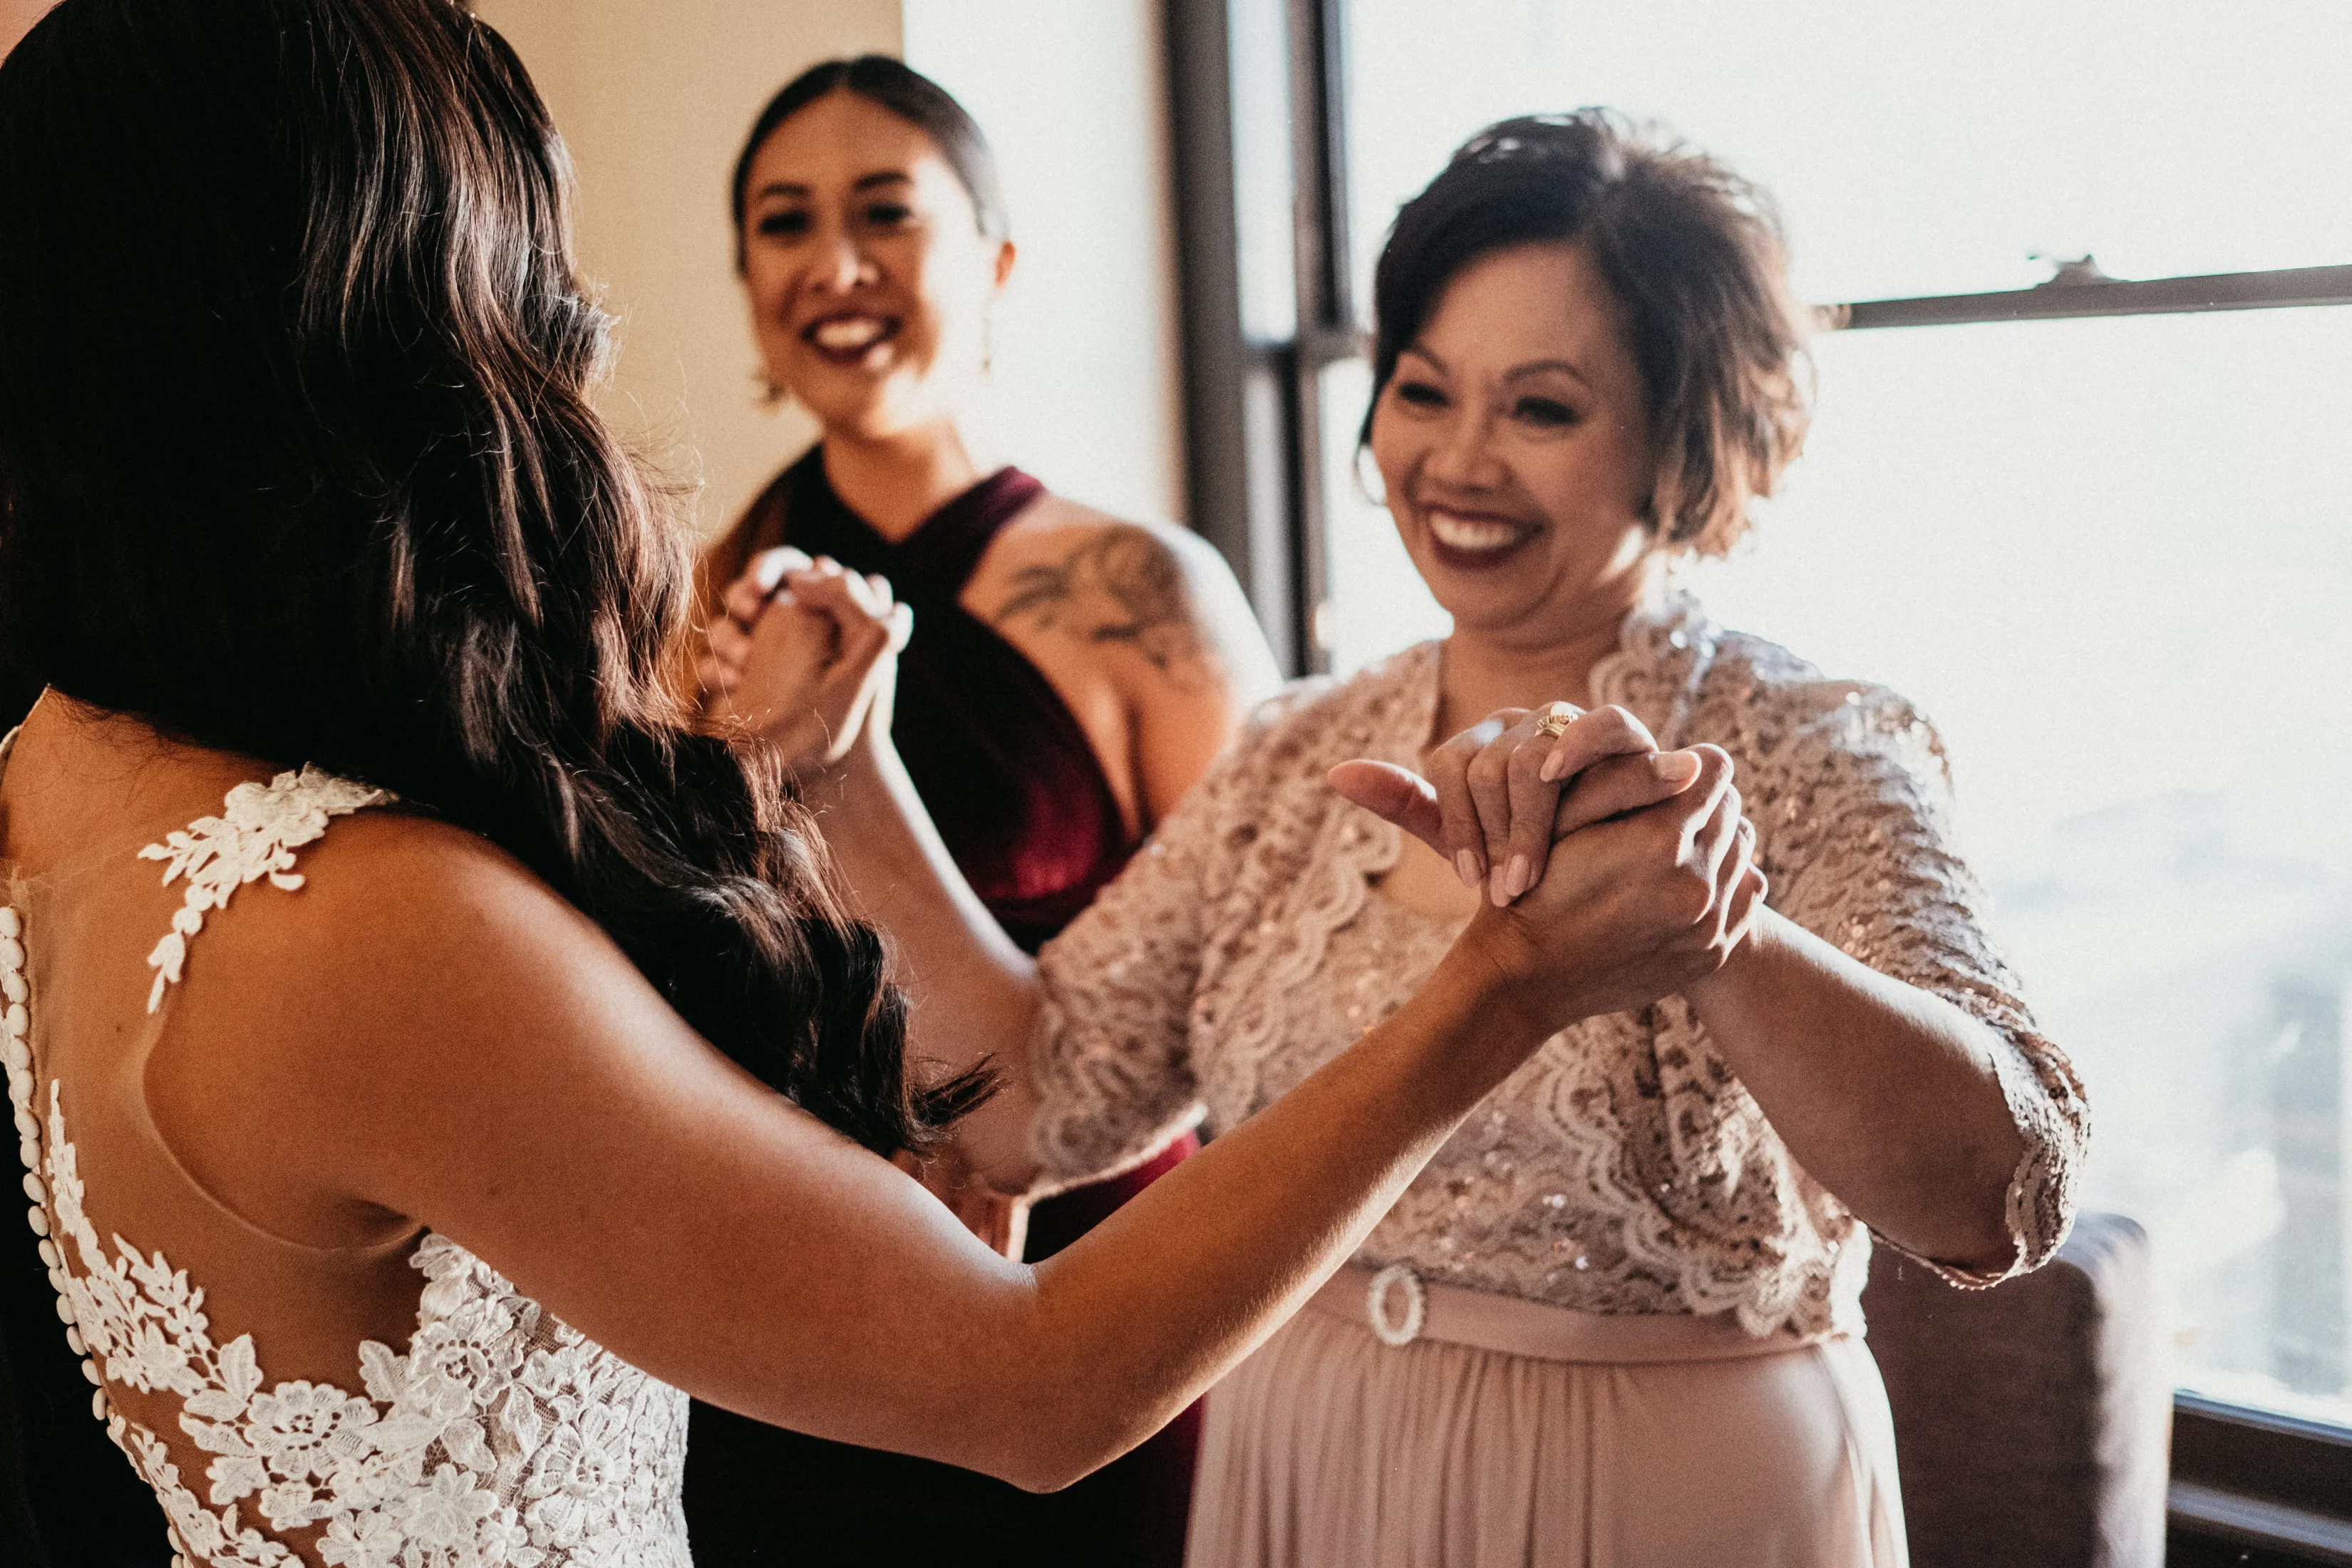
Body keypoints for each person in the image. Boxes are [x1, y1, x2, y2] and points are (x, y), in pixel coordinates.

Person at [0, 8, 1759, 1567]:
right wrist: (1511, 983)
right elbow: (1037, 1376)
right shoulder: (366, 923)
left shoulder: (56, 775)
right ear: (381, 320)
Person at [702, 113, 2092, 1567]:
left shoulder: (1811, 744)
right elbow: (1030, 1104)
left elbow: (2005, 1193)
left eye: (1543, 408)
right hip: (1301, 1478)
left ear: (1683, 440)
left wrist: (1721, 932)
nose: (1460, 461)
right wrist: (846, 768)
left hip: (1664, 1499)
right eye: (1425, 391)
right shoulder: (1300, 753)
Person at [682, 56, 1282, 1567]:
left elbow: (1263, 986)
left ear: (995, 259)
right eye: (784, 223)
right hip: (781, 1296)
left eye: (887, 213)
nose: (834, 266)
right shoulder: (689, 607)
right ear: (748, 278)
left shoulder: (1147, 597)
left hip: (1081, 1294)